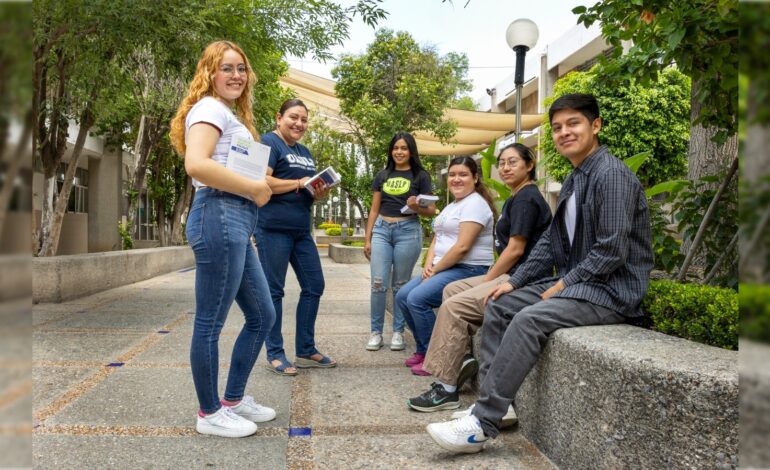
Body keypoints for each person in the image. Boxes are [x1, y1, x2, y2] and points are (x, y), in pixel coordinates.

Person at [426, 93, 653, 454]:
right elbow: (549, 242)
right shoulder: (577, 178)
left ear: (596, 126)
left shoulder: (611, 176)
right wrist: (514, 281)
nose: (564, 133)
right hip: (580, 284)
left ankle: (481, 427)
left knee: (529, 319)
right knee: (498, 304)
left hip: (610, 292)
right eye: (557, 127)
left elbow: (611, 250)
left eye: (573, 124)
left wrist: (563, 284)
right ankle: (496, 406)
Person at [169, 40, 276, 438]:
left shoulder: (227, 113)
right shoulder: (211, 108)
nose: (236, 75)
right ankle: (209, 413)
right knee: (210, 322)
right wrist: (254, 189)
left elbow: (230, 166)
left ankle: (233, 399)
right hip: (219, 213)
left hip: (235, 220)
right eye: (226, 68)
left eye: (241, 69)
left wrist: (259, 187)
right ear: (210, 73)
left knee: (263, 314)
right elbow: (196, 163)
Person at [407, 143, 552, 413]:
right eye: (503, 163)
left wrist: (488, 279)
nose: (506, 168)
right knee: (451, 290)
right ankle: (459, 360)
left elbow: (515, 250)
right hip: (510, 273)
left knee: (454, 306)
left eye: (513, 162)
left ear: (529, 165)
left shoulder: (527, 198)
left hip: (523, 279)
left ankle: (447, 390)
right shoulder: (517, 197)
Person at [254, 98, 335, 376]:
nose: (299, 124)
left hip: (301, 230)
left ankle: (305, 350)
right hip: (272, 229)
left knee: (314, 285)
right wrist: (300, 183)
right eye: (293, 117)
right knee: (274, 291)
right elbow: (263, 182)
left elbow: (302, 192)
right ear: (279, 118)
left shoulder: (305, 151)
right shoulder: (268, 143)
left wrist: (316, 191)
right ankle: (275, 353)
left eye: (303, 119)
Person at [396, 156, 497, 375]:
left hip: (469, 268)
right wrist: (429, 263)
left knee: (417, 299)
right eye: (452, 175)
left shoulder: (475, 204)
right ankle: (424, 350)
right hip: (444, 267)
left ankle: (440, 357)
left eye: (463, 174)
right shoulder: (453, 205)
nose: (456, 179)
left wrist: (436, 269)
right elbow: (437, 237)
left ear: (475, 178)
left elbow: (462, 247)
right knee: (402, 296)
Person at [364, 132, 435, 352]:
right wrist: (368, 238)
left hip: (408, 230)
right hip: (382, 230)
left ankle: (398, 332)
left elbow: (430, 211)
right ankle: (375, 332)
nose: (399, 152)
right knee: (378, 283)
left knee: (400, 285)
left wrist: (417, 207)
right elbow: (374, 208)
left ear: (411, 151)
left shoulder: (421, 176)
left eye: (404, 148)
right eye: (396, 148)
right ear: (391, 151)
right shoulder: (382, 175)